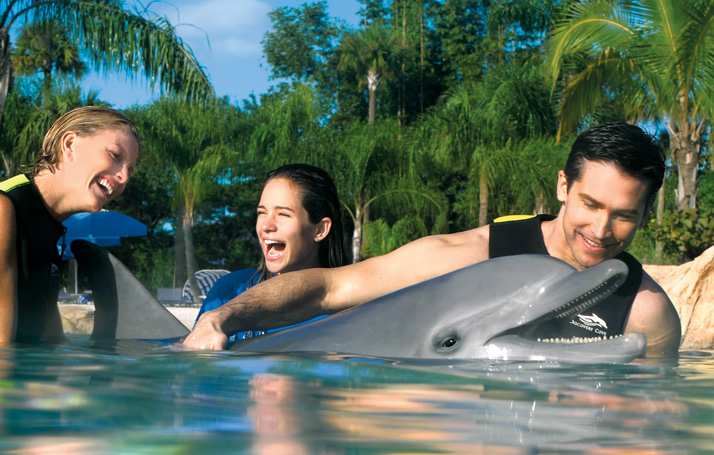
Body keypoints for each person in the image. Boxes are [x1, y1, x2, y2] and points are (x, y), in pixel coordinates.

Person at [185, 122, 681, 357]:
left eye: (624, 216)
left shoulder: (646, 314)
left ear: (644, 213)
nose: (601, 231)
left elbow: (646, 425)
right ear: (562, 186)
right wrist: (221, 317)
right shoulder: (475, 253)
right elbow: (330, 288)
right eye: (590, 205)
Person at [0, 106, 140, 343]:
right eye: (115, 156)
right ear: (69, 144)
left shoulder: (51, 224)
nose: (124, 178)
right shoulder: (4, 208)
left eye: (130, 170)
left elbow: (50, 338)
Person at [193, 163, 347, 341]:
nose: (266, 225)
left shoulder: (346, 310)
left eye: (283, 214)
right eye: (262, 213)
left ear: (320, 229)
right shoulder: (228, 291)